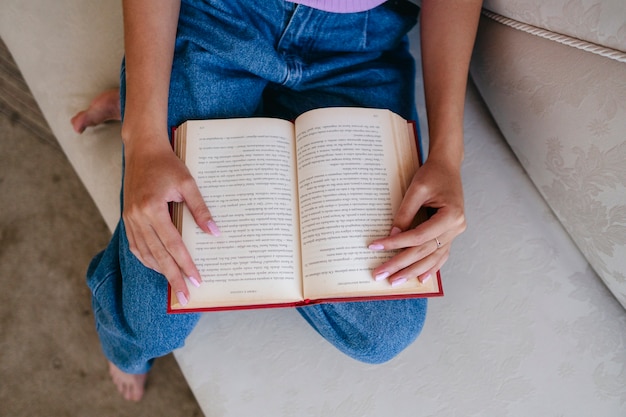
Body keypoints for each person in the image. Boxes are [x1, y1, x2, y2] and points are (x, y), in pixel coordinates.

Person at [77, 0, 479, 402]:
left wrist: (447, 155)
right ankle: (153, 99)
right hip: (220, 18)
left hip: (362, 45)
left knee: (385, 330)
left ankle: (198, 104)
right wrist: (144, 135)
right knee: (153, 322)